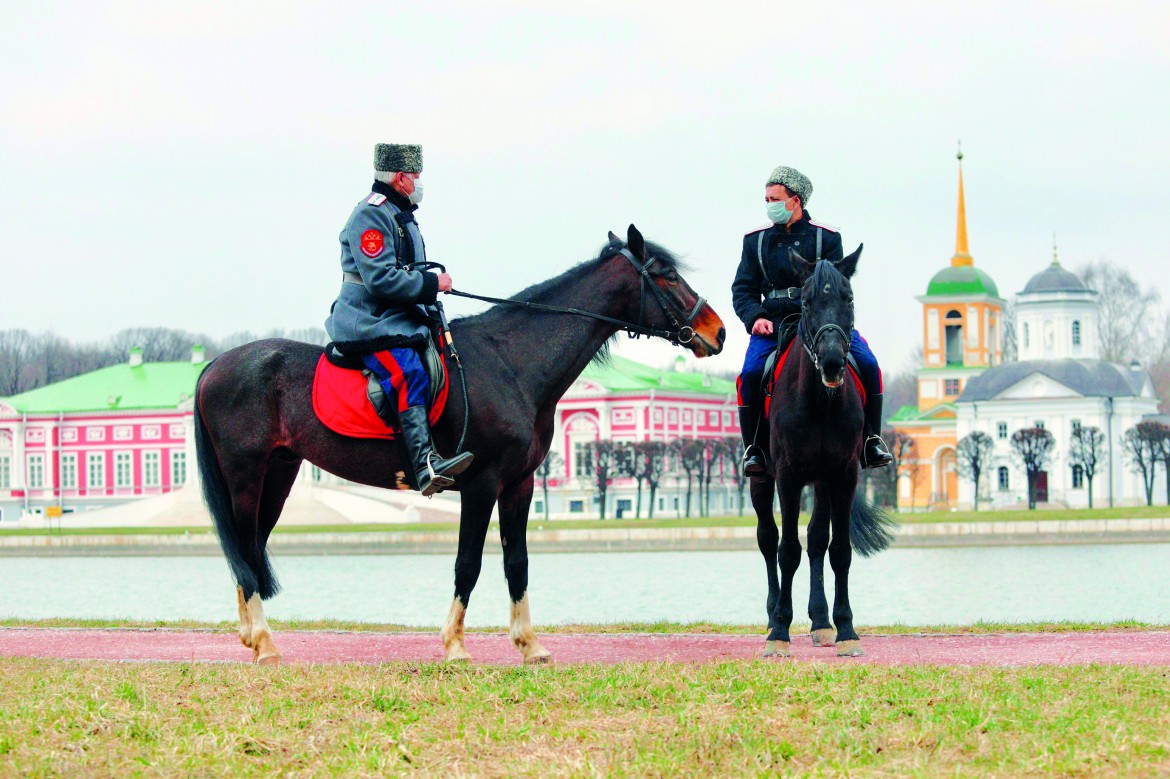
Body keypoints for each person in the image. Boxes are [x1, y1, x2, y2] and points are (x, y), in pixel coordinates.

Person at [324, 143, 473, 496]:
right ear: (401, 178)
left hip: (398, 316)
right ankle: (424, 465)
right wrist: (432, 283)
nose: (420, 183)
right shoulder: (370, 215)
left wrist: (428, 289)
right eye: (417, 176)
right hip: (369, 319)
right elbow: (380, 279)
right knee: (406, 370)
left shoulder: (400, 211)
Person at [731, 165, 892, 475]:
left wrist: (828, 321)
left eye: (775, 198)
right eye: (766, 199)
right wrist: (755, 317)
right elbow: (743, 289)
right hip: (773, 325)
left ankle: (871, 439)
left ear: (796, 200)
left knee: (869, 365)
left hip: (821, 324)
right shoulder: (755, 241)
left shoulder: (827, 237)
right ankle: (754, 448)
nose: (769, 205)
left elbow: (836, 287)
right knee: (750, 374)